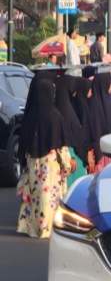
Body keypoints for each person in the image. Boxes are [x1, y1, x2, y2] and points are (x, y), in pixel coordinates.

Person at [16, 77, 73, 238]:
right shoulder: (55, 116)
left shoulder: (29, 116)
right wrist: (67, 164)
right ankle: (47, 228)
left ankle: (32, 227)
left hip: (33, 162)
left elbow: (23, 143)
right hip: (50, 163)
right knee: (48, 195)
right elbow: (61, 145)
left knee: (34, 195)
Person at [55, 76, 88, 186]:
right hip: (71, 159)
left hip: (71, 158)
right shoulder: (66, 112)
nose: (74, 94)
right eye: (71, 90)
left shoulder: (64, 108)